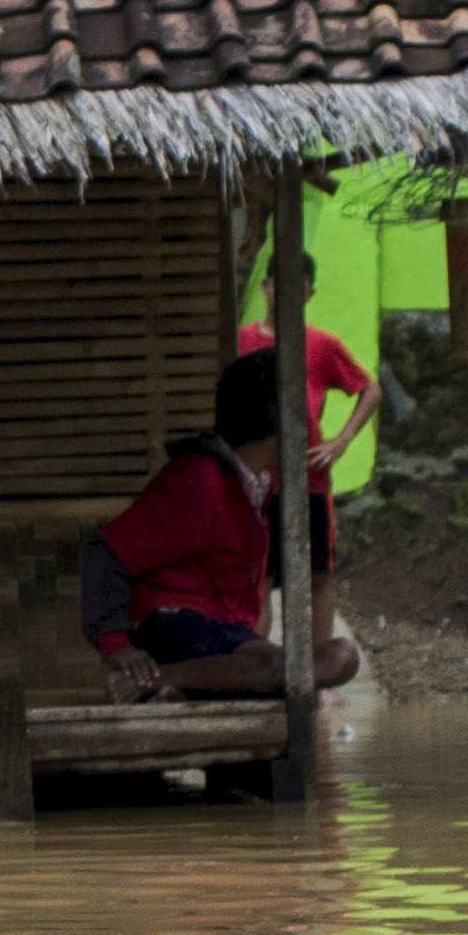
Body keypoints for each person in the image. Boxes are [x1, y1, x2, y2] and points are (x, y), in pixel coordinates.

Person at [85, 350, 364, 703]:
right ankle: (159, 679)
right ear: (278, 423)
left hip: (219, 640)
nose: (307, 423)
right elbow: (106, 551)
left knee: (339, 657)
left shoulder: (254, 485)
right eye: (301, 411)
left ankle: (184, 689)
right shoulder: (199, 479)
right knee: (275, 669)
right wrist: (116, 647)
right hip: (173, 629)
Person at [234, 252, 375, 617]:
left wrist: (341, 442)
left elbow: (370, 390)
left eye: (299, 287)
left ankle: (319, 670)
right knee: (257, 579)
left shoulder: (322, 346)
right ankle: (259, 669)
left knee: (317, 578)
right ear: (266, 287)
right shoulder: (239, 343)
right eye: (280, 284)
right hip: (254, 482)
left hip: (309, 480)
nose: (288, 294)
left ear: (310, 294)